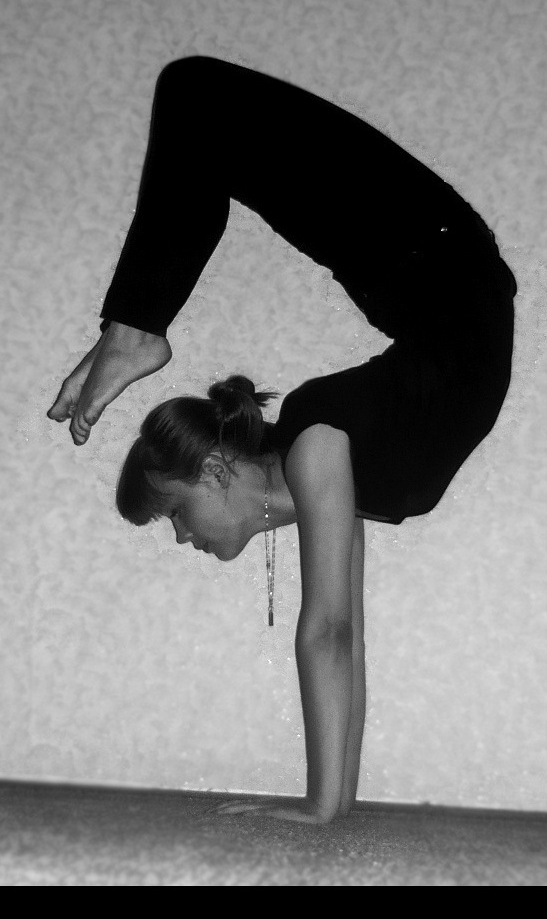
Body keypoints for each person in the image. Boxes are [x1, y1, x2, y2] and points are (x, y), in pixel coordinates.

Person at [48, 57, 517, 824]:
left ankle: (135, 328)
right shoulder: (330, 466)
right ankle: (134, 326)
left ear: (215, 468)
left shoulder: (314, 440)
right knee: (198, 105)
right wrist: (335, 806)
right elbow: (346, 637)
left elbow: (325, 631)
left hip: (425, 251)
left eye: (174, 513)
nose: (181, 538)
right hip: (431, 261)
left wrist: (317, 808)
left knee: (195, 94)